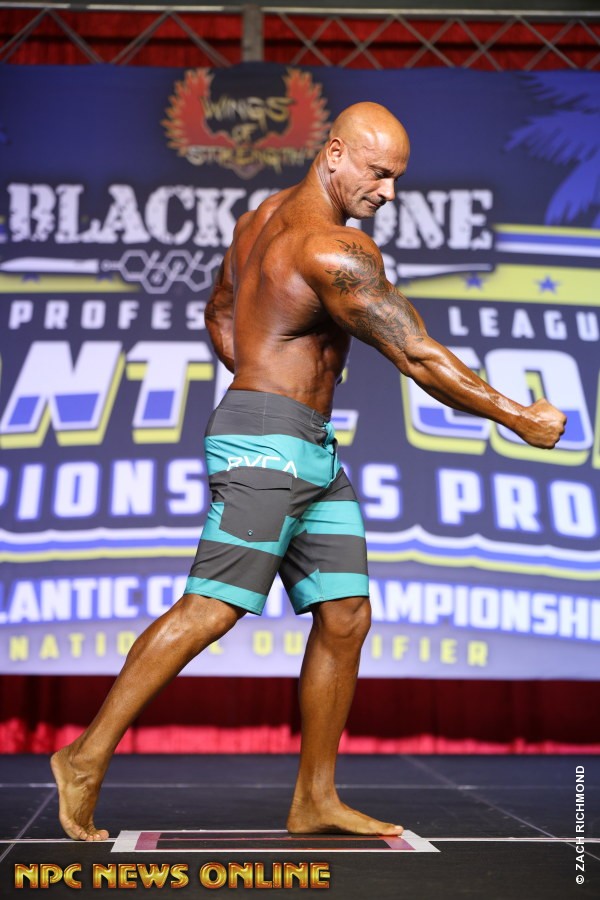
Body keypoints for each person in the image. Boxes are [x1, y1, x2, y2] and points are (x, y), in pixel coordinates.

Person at [51, 102, 566, 842]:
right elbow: (417, 356)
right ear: (334, 153)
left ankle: (315, 797)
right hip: (270, 442)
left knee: (346, 613)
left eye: (397, 177)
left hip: (307, 444)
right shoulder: (336, 249)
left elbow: (220, 311)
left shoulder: (258, 219)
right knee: (212, 608)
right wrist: (519, 417)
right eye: (378, 174)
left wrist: (266, 371)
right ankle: (83, 756)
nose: (389, 192)